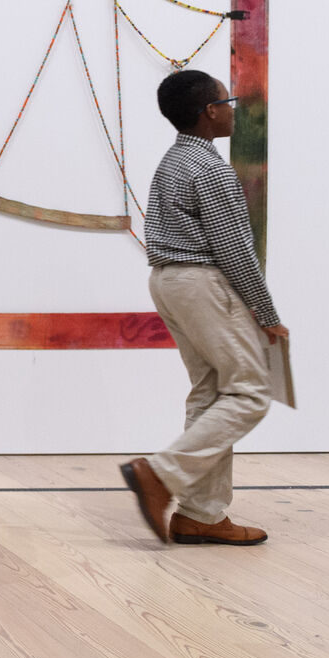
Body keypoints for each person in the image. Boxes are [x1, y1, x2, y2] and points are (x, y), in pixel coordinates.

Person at [120, 69, 288, 547]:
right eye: (227, 101)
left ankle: (201, 515)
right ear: (210, 112)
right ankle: (160, 475)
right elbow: (235, 249)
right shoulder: (210, 169)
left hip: (168, 281)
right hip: (201, 282)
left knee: (211, 392)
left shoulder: (173, 161)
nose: (233, 108)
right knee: (252, 390)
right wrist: (266, 312)